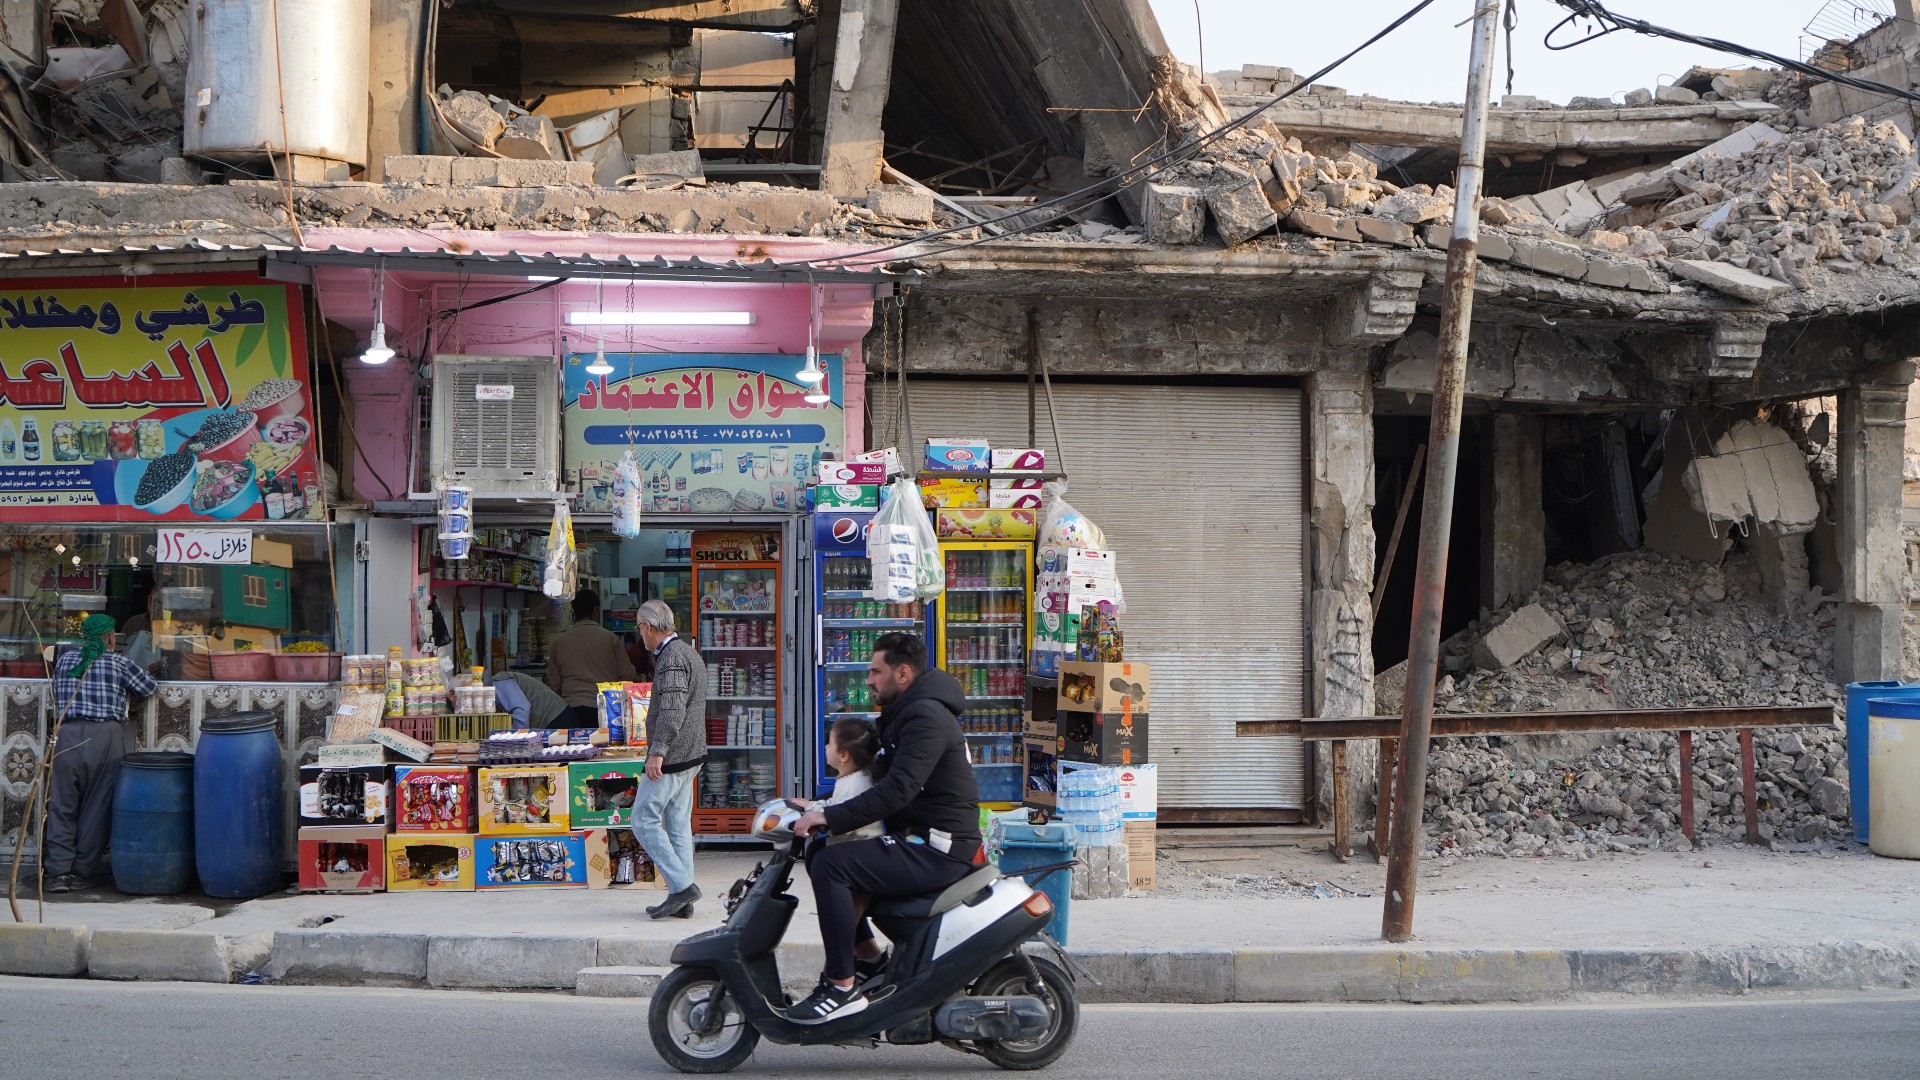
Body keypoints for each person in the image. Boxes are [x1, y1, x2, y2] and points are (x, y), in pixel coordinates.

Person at [788, 632, 981, 1023]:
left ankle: (841, 986)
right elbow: (875, 779)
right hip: (918, 837)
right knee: (822, 852)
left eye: (876, 671)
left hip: (938, 848)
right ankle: (871, 963)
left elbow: (899, 789)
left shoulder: (925, 717)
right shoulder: (907, 712)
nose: (869, 680)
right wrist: (822, 805)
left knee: (832, 865)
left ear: (903, 673)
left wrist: (830, 817)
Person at [45, 614, 156, 893]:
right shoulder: (119, 662)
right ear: (109, 637)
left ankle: (57, 874)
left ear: (84, 636)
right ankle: (83, 873)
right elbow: (150, 688)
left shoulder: (66, 660)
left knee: (61, 805)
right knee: (96, 807)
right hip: (103, 737)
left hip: (65, 734)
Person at [630, 599, 707, 920]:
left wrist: (657, 751)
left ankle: (682, 887)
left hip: (673, 756)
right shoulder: (687, 651)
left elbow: (673, 710)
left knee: (643, 820)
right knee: (677, 826)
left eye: (639, 628)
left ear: (648, 627)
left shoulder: (672, 658)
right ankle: (683, 899)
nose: (640, 635)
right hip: (691, 753)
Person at [545, 590, 635, 727]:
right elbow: (628, 675)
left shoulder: (559, 642)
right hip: (605, 710)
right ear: (595, 610)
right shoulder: (611, 639)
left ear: (574, 611)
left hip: (570, 710)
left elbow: (555, 685)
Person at [812, 717, 884, 844]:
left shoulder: (855, 785)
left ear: (843, 755)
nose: (826, 747)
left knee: (822, 857)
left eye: (830, 744)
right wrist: (809, 805)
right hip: (853, 845)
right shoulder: (854, 778)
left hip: (857, 848)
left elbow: (841, 821)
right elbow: (835, 804)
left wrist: (811, 814)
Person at [491, 669, 570, 730]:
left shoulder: (498, 683)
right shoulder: (496, 685)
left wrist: (517, 740)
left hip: (557, 719)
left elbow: (522, 709)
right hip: (554, 718)